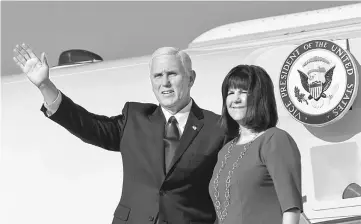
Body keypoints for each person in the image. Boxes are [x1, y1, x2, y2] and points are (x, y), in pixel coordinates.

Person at [13, 43, 227, 224]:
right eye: (157, 76)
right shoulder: (135, 118)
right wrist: (45, 85)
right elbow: (88, 126)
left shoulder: (217, 127)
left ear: (191, 78)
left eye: (172, 74)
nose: (165, 83)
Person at [209, 65, 302, 224]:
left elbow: (291, 208)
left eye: (243, 92)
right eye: (230, 92)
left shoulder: (274, 140)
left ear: (260, 97)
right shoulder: (225, 151)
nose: (235, 99)